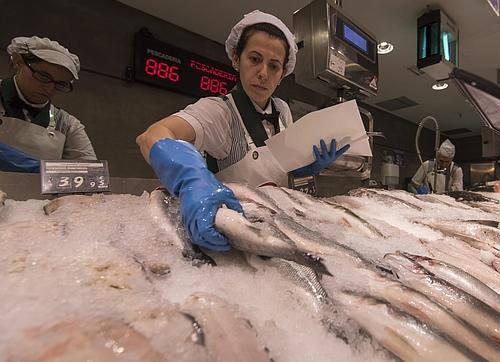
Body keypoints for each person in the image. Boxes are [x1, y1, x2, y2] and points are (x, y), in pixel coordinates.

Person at [136, 10, 349, 252]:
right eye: (255, 59)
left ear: (282, 75)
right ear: (237, 59)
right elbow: (152, 135)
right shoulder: (218, 111)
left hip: (275, 229)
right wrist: (190, 178)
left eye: (274, 66)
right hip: (226, 232)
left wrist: (303, 168)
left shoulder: (283, 110)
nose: (263, 74)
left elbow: (277, 171)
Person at [0, 36, 96, 172]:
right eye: (43, 76)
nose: (50, 89)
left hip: (31, 193)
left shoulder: (67, 124)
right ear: (18, 62)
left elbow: (90, 173)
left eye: (60, 84)